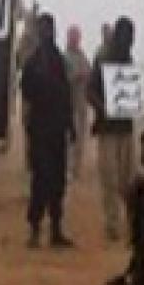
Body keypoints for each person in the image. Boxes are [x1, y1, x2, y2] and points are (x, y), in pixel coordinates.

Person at [21, 13, 75, 249]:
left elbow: (66, 94)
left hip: (57, 129)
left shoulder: (58, 61)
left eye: (49, 29)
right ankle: (35, 229)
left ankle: (56, 229)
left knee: (58, 180)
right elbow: (27, 92)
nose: (47, 33)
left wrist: (70, 125)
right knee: (41, 179)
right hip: (40, 129)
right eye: (43, 29)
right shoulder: (33, 63)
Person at [89, 16, 137, 242]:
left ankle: (131, 223)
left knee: (128, 179)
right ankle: (112, 224)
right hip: (107, 128)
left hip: (125, 127)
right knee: (109, 178)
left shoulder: (129, 61)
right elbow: (90, 91)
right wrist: (104, 108)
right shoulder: (103, 59)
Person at [64, 25, 92, 181]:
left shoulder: (82, 56)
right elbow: (62, 79)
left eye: (77, 36)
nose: (75, 39)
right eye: (73, 36)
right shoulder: (64, 57)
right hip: (70, 104)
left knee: (81, 138)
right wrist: (76, 76)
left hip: (82, 104)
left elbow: (90, 73)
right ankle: (67, 170)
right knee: (70, 140)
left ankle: (76, 170)